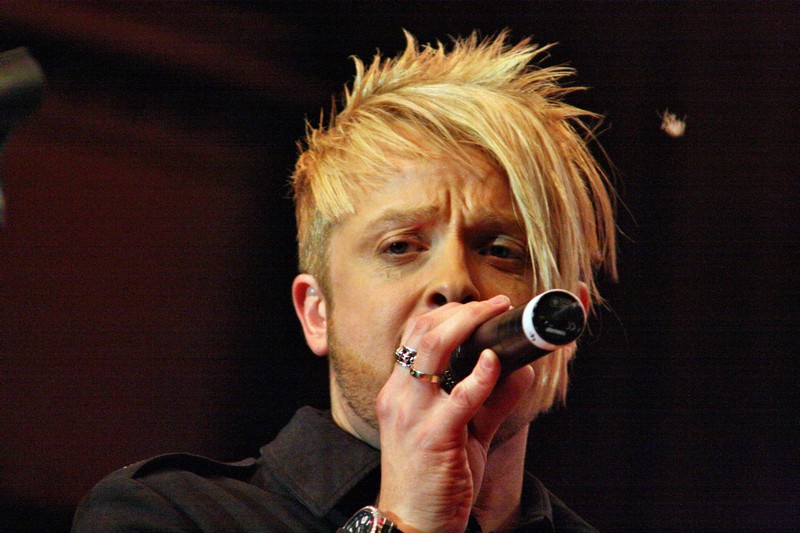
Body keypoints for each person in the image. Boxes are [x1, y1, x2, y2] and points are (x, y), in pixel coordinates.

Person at [73, 30, 616, 532]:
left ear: (565, 325)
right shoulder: (165, 514)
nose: (453, 283)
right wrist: (407, 519)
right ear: (317, 312)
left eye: (500, 251)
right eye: (400, 247)